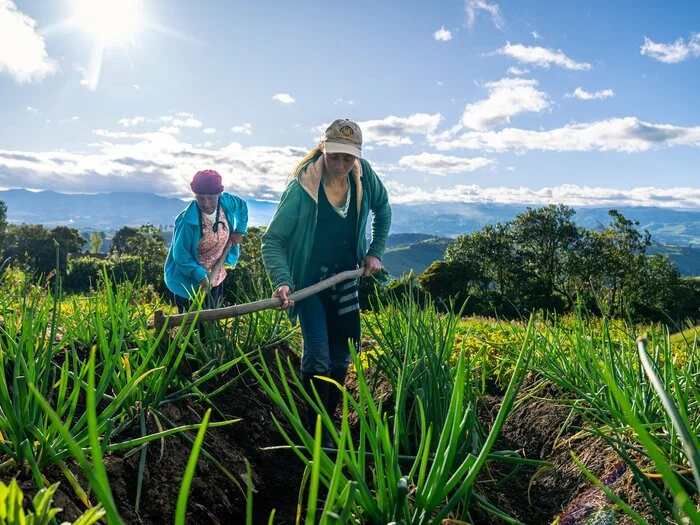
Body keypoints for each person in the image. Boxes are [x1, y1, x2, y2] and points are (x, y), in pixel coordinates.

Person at [261, 119, 391, 446]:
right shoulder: (303, 186)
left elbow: (384, 210)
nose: (341, 164)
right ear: (324, 149)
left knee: (341, 356)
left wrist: (374, 252)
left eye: (348, 158)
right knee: (317, 353)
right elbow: (272, 240)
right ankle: (314, 428)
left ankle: (327, 423)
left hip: (346, 276)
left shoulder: (363, 175)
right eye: (334, 156)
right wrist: (283, 281)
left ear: (357, 157)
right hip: (309, 280)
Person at [164, 169, 248, 313]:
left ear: (218, 195)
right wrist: (199, 274)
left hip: (215, 273)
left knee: (211, 322)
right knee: (191, 326)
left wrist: (239, 230)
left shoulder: (226, 202)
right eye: (201, 198)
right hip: (189, 280)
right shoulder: (187, 221)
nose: (206, 203)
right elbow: (181, 256)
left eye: (211, 198)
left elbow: (242, 207)